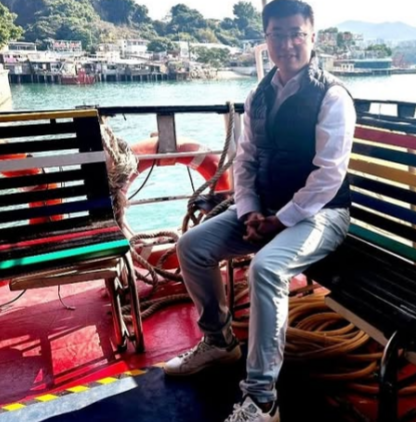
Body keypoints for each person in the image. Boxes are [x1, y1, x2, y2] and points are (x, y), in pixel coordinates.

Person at [163, 0, 355, 421]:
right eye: (277, 34)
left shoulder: (332, 95)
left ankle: (263, 398)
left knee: (266, 269)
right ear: (265, 38)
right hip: (267, 209)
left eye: (296, 34)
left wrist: (279, 220)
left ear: (312, 37)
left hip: (323, 214)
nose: (287, 44)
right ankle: (219, 342)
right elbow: (246, 159)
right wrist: (250, 210)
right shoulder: (259, 94)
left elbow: (329, 175)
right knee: (192, 246)